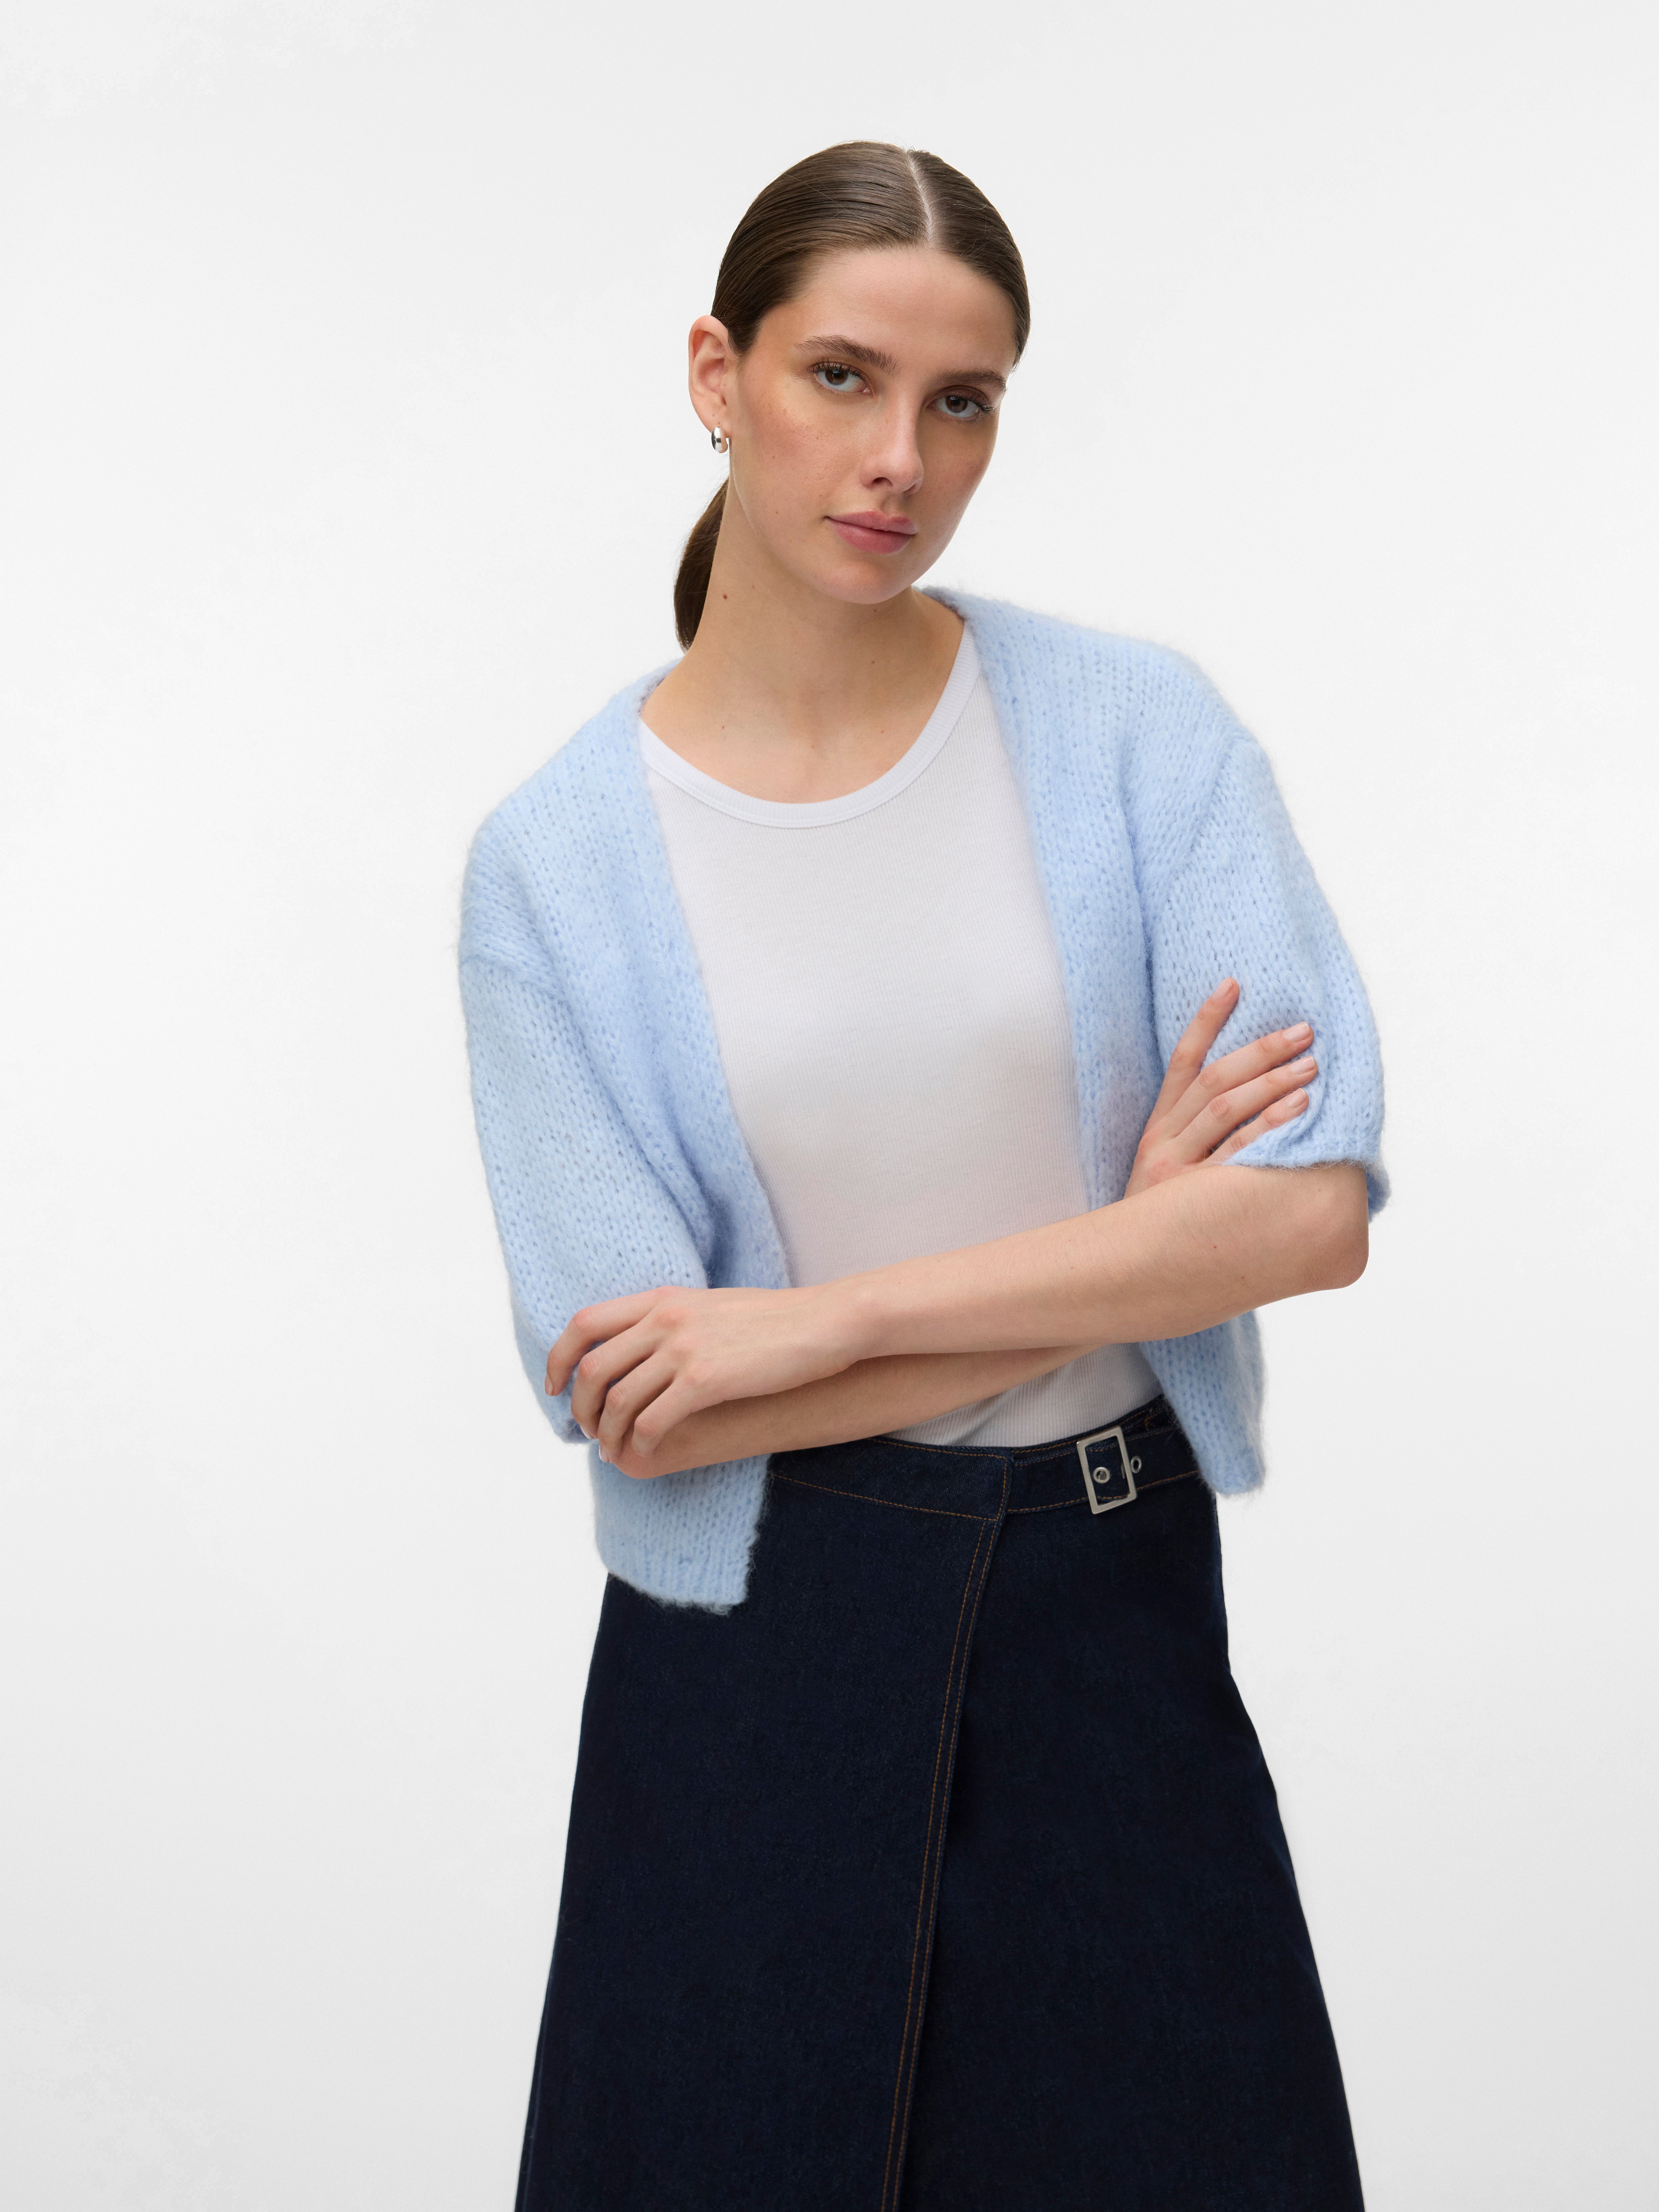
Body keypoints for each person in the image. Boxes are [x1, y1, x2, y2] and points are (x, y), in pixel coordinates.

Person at [460, 140, 1385, 2212]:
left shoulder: (1139, 736)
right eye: (842, 379)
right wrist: (1133, 1253)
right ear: (718, 376)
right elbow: (653, 1399)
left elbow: (1309, 1212)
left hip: (1111, 1609)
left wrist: (824, 1327)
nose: (902, 457)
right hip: (754, 1658)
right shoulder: (557, 867)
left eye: (962, 401)